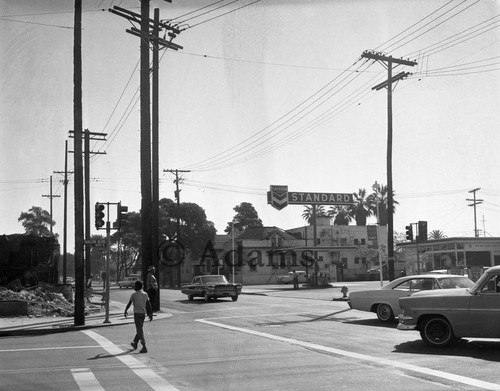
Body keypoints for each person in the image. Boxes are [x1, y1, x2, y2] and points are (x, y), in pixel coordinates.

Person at [124, 280, 153, 353]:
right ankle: (135, 343)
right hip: (143, 314)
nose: (134, 287)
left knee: (139, 330)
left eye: (135, 286)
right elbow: (148, 304)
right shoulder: (145, 294)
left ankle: (144, 346)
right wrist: (150, 313)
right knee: (139, 329)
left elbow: (129, 303)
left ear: (137, 287)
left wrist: (125, 310)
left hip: (137, 314)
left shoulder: (134, 294)